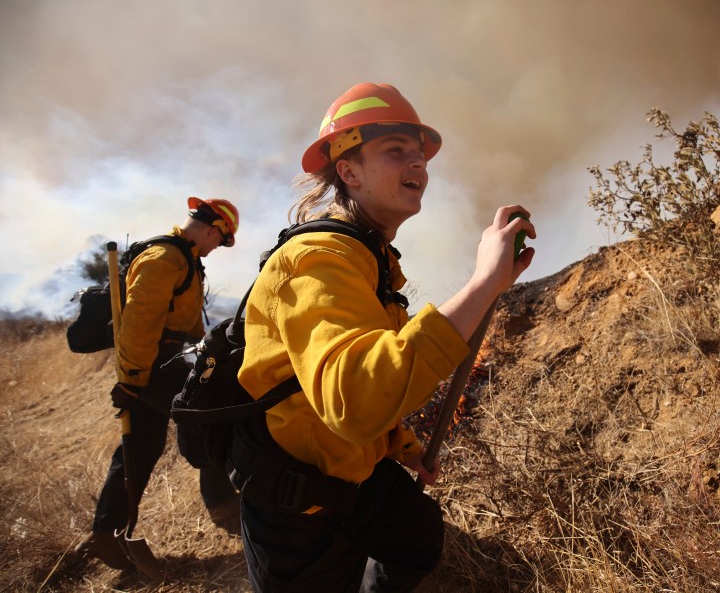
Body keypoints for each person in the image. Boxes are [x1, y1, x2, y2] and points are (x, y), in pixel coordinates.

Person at [232, 82, 536, 592]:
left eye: (420, 156)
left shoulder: (369, 259)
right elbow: (354, 400)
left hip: (355, 475)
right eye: (396, 152)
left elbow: (372, 371)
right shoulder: (317, 260)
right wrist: (484, 283)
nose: (417, 165)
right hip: (297, 507)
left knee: (417, 537)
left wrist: (404, 445)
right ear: (348, 171)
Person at [76, 197, 243, 569]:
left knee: (141, 447)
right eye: (221, 240)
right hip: (151, 365)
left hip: (156, 363)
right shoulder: (165, 258)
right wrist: (132, 380)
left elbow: (184, 321)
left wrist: (206, 353)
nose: (218, 248)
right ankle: (223, 506)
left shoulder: (183, 258)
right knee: (211, 416)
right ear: (214, 229)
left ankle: (106, 533)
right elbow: (140, 322)